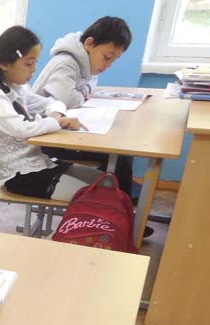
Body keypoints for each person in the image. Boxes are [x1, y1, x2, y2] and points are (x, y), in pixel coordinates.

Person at [0, 26, 103, 203]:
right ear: (4, 64)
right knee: (99, 196)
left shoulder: (19, 90)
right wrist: (56, 121)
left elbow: (53, 102)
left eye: (35, 63)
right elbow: (21, 129)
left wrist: (56, 114)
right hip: (20, 176)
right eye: (28, 63)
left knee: (106, 182)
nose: (33, 69)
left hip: (41, 162)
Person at [32, 16, 141, 210]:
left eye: (114, 60)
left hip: (62, 129)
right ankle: (118, 209)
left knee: (121, 154)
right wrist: (84, 93)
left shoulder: (84, 60)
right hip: (46, 136)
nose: (108, 65)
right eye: (107, 57)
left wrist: (82, 92)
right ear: (89, 43)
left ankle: (116, 203)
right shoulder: (66, 63)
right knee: (119, 156)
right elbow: (68, 100)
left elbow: (90, 84)